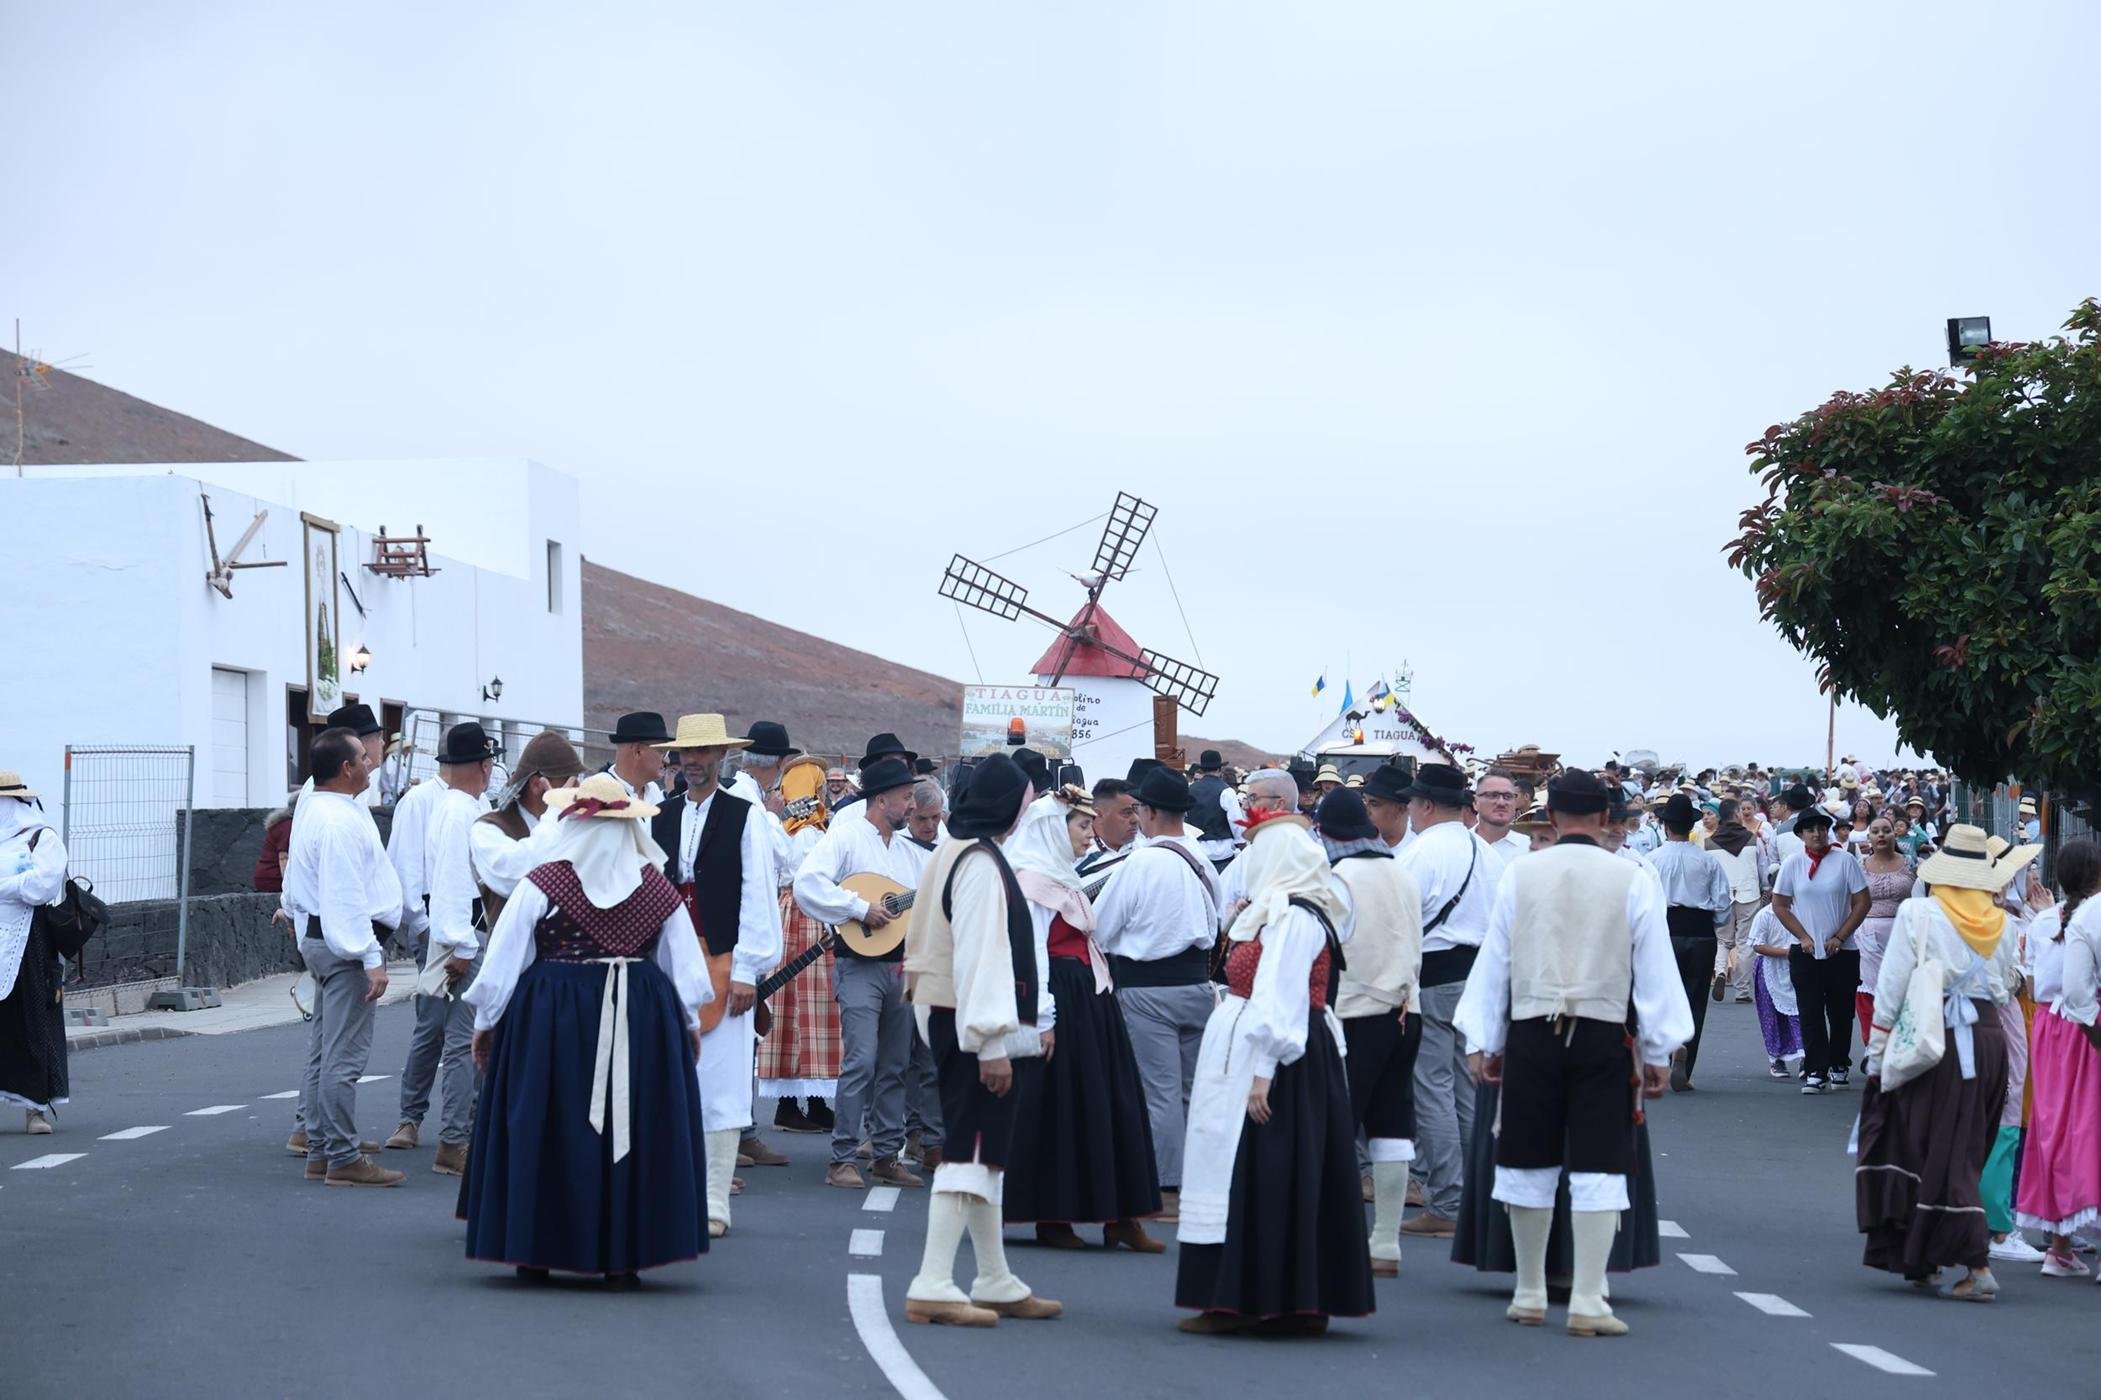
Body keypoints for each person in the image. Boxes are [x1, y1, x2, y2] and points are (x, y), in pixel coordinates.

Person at [1455, 769, 1693, 1338]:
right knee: (1600, 1161)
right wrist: (1661, 1048)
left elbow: (1496, 962)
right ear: (1607, 818)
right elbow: (1655, 971)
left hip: (1532, 1030)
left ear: (1553, 817)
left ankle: (1530, 1291)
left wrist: (1484, 1039)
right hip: (1602, 1032)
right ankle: (1587, 1298)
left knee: (1525, 1157)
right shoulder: (1630, 877)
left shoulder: (1522, 873)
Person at [458, 773, 713, 1285]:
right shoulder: (655, 888)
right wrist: (686, 1024)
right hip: (639, 1012)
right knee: (631, 1122)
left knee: (548, 1119)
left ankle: (535, 1249)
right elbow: (684, 966)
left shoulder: (543, 882)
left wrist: (487, 1021)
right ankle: (623, 1255)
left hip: (552, 1014)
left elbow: (505, 960)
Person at [1175, 813, 1372, 1335]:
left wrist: (1263, 1071)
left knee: (1265, 1170)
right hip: (1272, 1048)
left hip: (1284, 1058)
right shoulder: (1280, 911)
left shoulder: (1296, 917)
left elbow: (1281, 996)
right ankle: (1275, 1299)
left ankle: (1253, 1300)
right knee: (1269, 1171)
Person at [899, 753, 1061, 1326]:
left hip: (949, 1015)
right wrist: (992, 1043)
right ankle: (934, 1280)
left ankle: (993, 1277)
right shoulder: (980, 864)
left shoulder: (952, 852)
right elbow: (980, 954)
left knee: (986, 1153)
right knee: (970, 1150)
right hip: (970, 1024)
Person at [1857, 826, 2039, 1300]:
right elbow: (2004, 988)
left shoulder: (1919, 913)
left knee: (1933, 1144)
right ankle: (1923, 1253)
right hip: (1988, 1040)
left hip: (1938, 1040)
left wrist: (1877, 1054)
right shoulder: (2002, 924)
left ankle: (1977, 1264)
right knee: (1958, 1145)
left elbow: (1894, 985)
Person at [1001, 786, 1163, 1251]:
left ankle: (1121, 1216)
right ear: (1054, 829)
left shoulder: (1062, 877)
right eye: (1081, 825)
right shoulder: (1032, 881)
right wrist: (1042, 1018)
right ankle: (1053, 1216)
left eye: (1090, 825)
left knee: (1112, 1105)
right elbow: (1030, 954)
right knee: (1063, 1112)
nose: (1090, 836)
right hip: (1062, 1002)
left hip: (1091, 1001)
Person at [647, 714, 783, 1235]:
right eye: (687, 753)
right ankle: (672, 1189)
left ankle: (714, 1200)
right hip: (668, 958)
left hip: (724, 954)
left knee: (723, 1078)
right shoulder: (658, 816)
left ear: (723, 758)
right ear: (677, 759)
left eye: (705, 753)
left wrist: (749, 968)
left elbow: (757, 894)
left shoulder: (745, 815)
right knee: (668, 1073)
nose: (695, 762)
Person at [1087, 766, 1221, 1222]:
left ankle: (1165, 1188)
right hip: (1197, 987)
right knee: (1190, 1092)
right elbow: (1218, 918)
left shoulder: (1140, 863)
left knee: (1158, 1093)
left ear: (1150, 811)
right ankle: (1194, 1184)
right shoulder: (1200, 857)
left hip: (1147, 989)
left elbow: (1100, 927)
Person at [795, 751, 930, 1189]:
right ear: (883, 798)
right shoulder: (847, 836)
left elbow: (923, 902)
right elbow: (808, 883)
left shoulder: (910, 852)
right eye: (907, 797)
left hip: (902, 966)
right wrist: (858, 907)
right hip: (859, 966)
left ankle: (887, 1155)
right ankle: (842, 1158)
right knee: (862, 1060)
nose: (912, 805)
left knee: (894, 1063)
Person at [283, 729, 405, 1186]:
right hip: (344, 946)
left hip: (325, 942)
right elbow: (345, 897)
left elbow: (300, 882)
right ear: (346, 769)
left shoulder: (320, 809)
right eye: (362, 756)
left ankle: (321, 1148)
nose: (371, 762)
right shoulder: (335, 820)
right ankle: (342, 1157)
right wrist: (369, 954)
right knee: (343, 1058)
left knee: (325, 1050)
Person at [1396, 762, 1505, 1239]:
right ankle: (1471, 1193)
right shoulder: (1488, 854)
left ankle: (1445, 1199)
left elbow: (1399, 923)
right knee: (1467, 1089)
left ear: (1423, 805)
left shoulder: (1421, 853)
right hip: (1479, 977)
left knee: (1432, 1088)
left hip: (1434, 977)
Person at [1315, 789, 1422, 1279]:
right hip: (1406, 1009)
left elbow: (1327, 948)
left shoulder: (1339, 878)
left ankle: (1328, 1235)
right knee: (1392, 1123)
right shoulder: (1399, 871)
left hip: (1356, 1011)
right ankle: (1386, 1240)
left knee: (1336, 1124)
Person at [385, 723, 501, 1174]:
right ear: (483, 765)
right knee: (457, 1039)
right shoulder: (458, 812)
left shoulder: (461, 805)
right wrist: (462, 943)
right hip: (462, 931)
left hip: (459, 929)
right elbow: (452, 882)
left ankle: (457, 1131)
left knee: (455, 1037)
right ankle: (454, 1140)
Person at [2016, 840, 2101, 1275]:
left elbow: (2033, 988)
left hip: (2048, 1028)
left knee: (2053, 1128)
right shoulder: (2093, 917)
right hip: (2085, 1024)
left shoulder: (2043, 922)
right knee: (2088, 1126)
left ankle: (2059, 1244)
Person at [760, 755, 843, 1138]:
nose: (824, 789)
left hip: (788, 915)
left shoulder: (788, 826)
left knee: (791, 1006)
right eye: (820, 783)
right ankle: (797, 1103)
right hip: (807, 916)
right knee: (809, 1007)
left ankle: (804, 1102)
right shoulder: (808, 831)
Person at [1772, 806, 1871, 1093]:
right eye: (1810, 829)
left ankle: (1839, 1063)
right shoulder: (1793, 863)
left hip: (1842, 949)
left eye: (1820, 828)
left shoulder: (1844, 861)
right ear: (1801, 834)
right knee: (1810, 1010)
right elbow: (1780, 904)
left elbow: (1862, 902)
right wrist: (1802, 936)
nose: (1816, 834)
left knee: (1841, 1011)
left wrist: (1840, 936)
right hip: (1805, 950)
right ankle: (1816, 1068)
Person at [1647, 795, 1733, 1092]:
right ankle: (1686, 1057)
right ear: (1691, 825)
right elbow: (1723, 905)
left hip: (1665, 931)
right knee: (1696, 1000)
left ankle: (1663, 1055)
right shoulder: (1707, 861)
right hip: (1700, 932)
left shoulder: (1652, 860)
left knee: (1660, 997)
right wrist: (1715, 923)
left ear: (1665, 824)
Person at [0, 771, 69, 1133]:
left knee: (30, 1021)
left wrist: (4, 887)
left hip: (29, 941)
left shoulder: (41, 838)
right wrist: (13, 886)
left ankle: (35, 1111)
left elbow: (41, 886)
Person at [1855, 815, 1915, 1048]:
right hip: (1866, 936)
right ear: (1868, 837)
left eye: (1886, 831)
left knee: (1900, 991)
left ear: (1894, 835)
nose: (1881, 835)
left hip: (1902, 935)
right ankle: (1873, 1045)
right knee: (1867, 992)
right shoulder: (1859, 866)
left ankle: (1898, 1043)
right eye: (1875, 831)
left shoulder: (1911, 863)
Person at [1706, 798, 1765, 1004]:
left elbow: (1709, 875)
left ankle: (1721, 971)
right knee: (1745, 942)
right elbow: (1763, 869)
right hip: (1749, 894)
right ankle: (1741, 990)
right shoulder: (1753, 839)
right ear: (1737, 813)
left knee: (1723, 940)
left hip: (1722, 897)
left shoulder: (1709, 843)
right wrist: (1766, 888)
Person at [1745, 904, 1804, 1078]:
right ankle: (1776, 1058)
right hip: (1769, 967)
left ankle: (1804, 1056)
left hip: (1795, 966)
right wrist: (1786, 952)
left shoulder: (1800, 911)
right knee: (1770, 1015)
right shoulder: (1765, 915)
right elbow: (1758, 945)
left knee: (1799, 1012)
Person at [602, 711, 673, 804]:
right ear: (637, 751)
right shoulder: (596, 794)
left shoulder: (653, 791)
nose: (667, 760)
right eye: (662, 751)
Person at [1078, 778, 1139, 874]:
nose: (1136, 819)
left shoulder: (1146, 848)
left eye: (1137, 811)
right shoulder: (1077, 856)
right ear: (1099, 814)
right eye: (1127, 813)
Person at [1473, 771, 1528, 862]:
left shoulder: (1529, 849)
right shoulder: (1457, 845)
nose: (1501, 803)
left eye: (1508, 796)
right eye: (1492, 795)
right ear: (1475, 803)